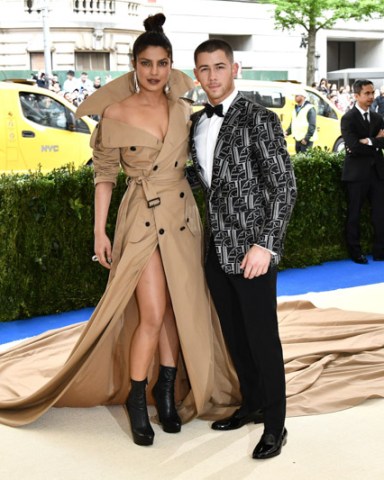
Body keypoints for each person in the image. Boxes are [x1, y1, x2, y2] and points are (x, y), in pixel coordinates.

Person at [0, 14, 239, 446]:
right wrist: (99, 232)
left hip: (183, 218)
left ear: (170, 65)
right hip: (141, 217)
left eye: (162, 63)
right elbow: (104, 176)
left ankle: (165, 394)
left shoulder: (183, 109)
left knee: (175, 309)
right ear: (133, 65)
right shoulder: (113, 112)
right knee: (150, 312)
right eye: (146, 63)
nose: (154, 72)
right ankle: (136, 398)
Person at [190, 39, 297, 460]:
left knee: (263, 339)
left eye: (219, 66)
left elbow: (284, 187)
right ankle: (251, 403)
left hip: (253, 251)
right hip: (216, 251)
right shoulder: (196, 124)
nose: (212, 76)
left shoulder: (260, 119)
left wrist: (265, 246)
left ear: (234, 69)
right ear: (196, 74)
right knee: (235, 336)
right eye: (204, 69)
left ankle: (276, 425)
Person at [341, 79, 384, 264]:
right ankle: (355, 251)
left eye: (372, 93)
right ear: (356, 95)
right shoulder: (348, 118)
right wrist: (374, 142)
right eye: (367, 93)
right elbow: (352, 147)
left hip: (378, 173)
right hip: (356, 175)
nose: (371, 97)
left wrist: (368, 141)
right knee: (354, 214)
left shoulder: (378, 118)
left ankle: (380, 250)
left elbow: (382, 143)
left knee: (380, 213)